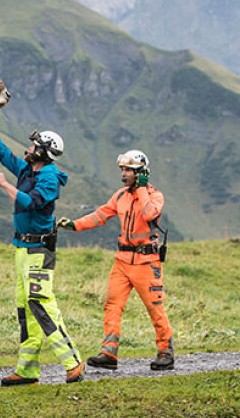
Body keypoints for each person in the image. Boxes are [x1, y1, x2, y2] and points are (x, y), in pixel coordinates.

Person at [0, 106, 84, 386]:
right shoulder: (28, 170)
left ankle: (73, 362)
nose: (28, 148)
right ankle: (27, 370)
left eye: (33, 145)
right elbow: (1, 150)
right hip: (22, 249)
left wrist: (5, 185)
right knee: (25, 308)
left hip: (39, 252)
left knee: (40, 303)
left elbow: (30, 202)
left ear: (42, 152)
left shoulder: (49, 178)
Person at [58, 149, 175, 371]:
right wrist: (74, 225)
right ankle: (108, 353)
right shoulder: (119, 196)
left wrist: (141, 188)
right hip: (121, 261)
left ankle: (165, 353)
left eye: (128, 170)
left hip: (146, 262)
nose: (123, 174)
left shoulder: (155, 196)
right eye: (122, 169)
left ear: (141, 173)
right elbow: (100, 215)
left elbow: (150, 214)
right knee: (112, 305)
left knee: (155, 308)